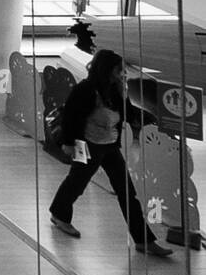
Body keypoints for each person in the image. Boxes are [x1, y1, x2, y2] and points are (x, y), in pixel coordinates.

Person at [48, 48, 172, 255]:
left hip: (109, 145)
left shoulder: (115, 90)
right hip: (87, 145)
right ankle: (60, 214)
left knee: (127, 191)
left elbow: (130, 114)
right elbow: (71, 116)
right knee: (77, 182)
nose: (122, 73)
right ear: (107, 70)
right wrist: (68, 143)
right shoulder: (86, 89)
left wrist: (128, 98)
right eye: (118, 70)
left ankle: (144, 240)